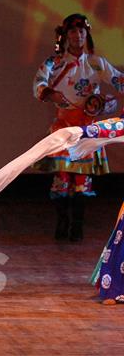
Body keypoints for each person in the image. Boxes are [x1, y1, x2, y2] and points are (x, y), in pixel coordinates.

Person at [33, 13, 123, 241]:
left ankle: (78, 226)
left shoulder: (96, 63)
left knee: (82, 181)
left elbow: (118, 81)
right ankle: (62, 222)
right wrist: (49, 93)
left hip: (86, 130)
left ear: (87, 34)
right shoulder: (55, 63)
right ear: (65, 36)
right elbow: (39, 83)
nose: (78, 35)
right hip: (63, 127)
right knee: (63, 178)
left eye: (82, 31)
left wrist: (103, 102)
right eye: (73, 31)